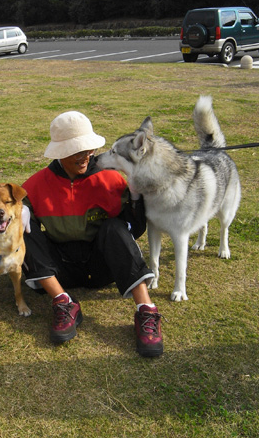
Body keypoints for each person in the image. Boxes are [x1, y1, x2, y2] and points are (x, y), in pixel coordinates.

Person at [21, 110, 163, 356]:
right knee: (21, 228)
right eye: (77, 151)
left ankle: (146, 310)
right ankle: (63, 302)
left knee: (114, 226)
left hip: (102, 266)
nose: (85, 156)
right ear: (60, 153)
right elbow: (3, 209)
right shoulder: (35, 185)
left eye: (88, 150)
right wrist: (21, 208)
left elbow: (134, 230)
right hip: (60, 269)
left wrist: (136, 197)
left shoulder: (111, 179)